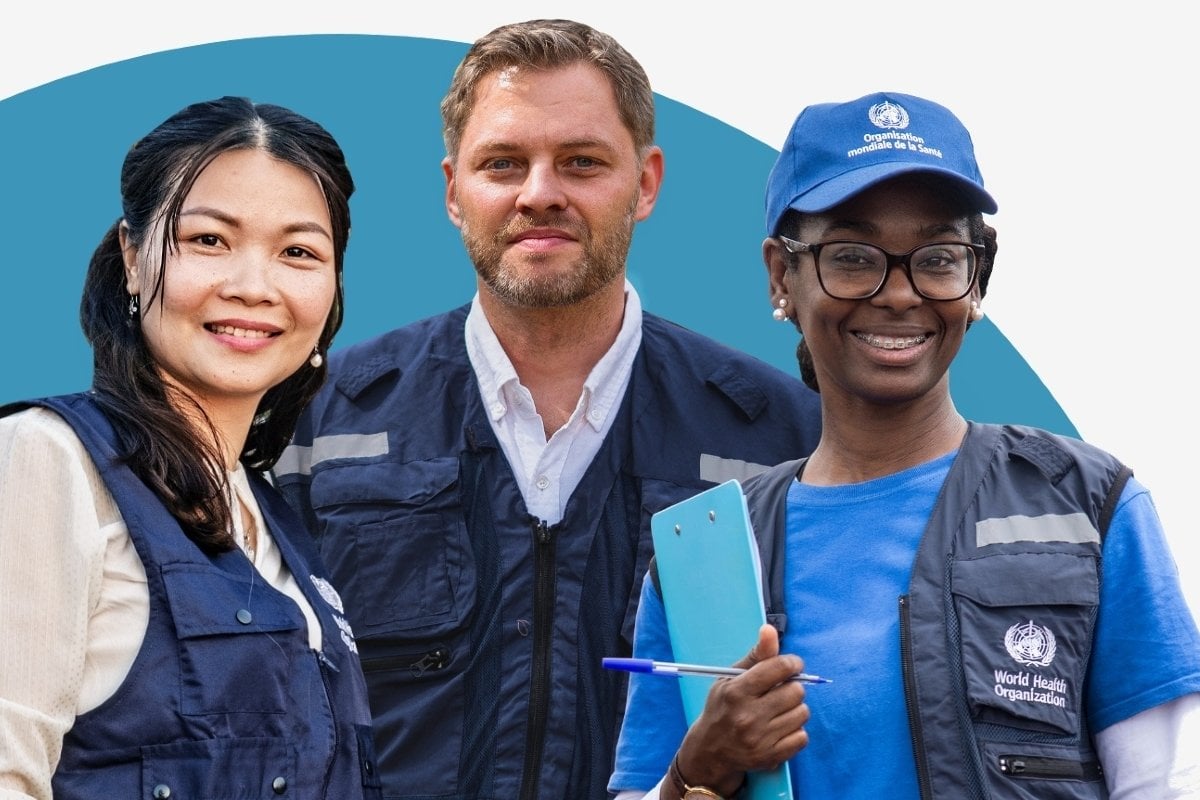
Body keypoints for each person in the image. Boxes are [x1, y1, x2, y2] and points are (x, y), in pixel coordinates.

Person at [273, 18, 821, 800]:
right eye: (503, 163)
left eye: (581, 162)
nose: (539, 193)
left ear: (646, 183)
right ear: (454, 192)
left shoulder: (779, 433)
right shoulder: (319, 418)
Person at [609, 91, 1200, 800]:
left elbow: (1168, 784)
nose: (899, 293)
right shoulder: (700, 556)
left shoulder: (1088, 507)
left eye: (938, 256)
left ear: (976, 277)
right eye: (853, 257)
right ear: (780, 277)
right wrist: (693, 772)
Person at [0, 96, 382, 800]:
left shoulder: (272, 519)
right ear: (132, 259)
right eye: (209, 240)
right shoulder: (47, 461)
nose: (252, 287)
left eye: (298, 252)